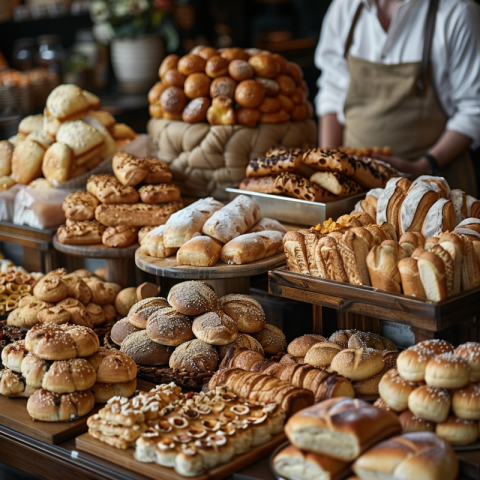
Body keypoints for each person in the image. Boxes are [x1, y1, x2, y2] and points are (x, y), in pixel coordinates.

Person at [315, 0, 480, 195]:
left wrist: (422, 166)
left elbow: (474, 109)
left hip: (435, 188)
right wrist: (328, 167)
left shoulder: (458, 12)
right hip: (355, 190)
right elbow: (332, 93)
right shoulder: (345, 7)